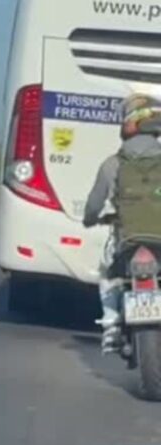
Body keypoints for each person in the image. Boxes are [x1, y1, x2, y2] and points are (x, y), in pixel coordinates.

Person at [83, 94, 161, 353]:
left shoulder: (112, 164)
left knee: (106, 274)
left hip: (126, 240)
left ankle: (112, 326)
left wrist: (90, 219)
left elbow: (94, 204)